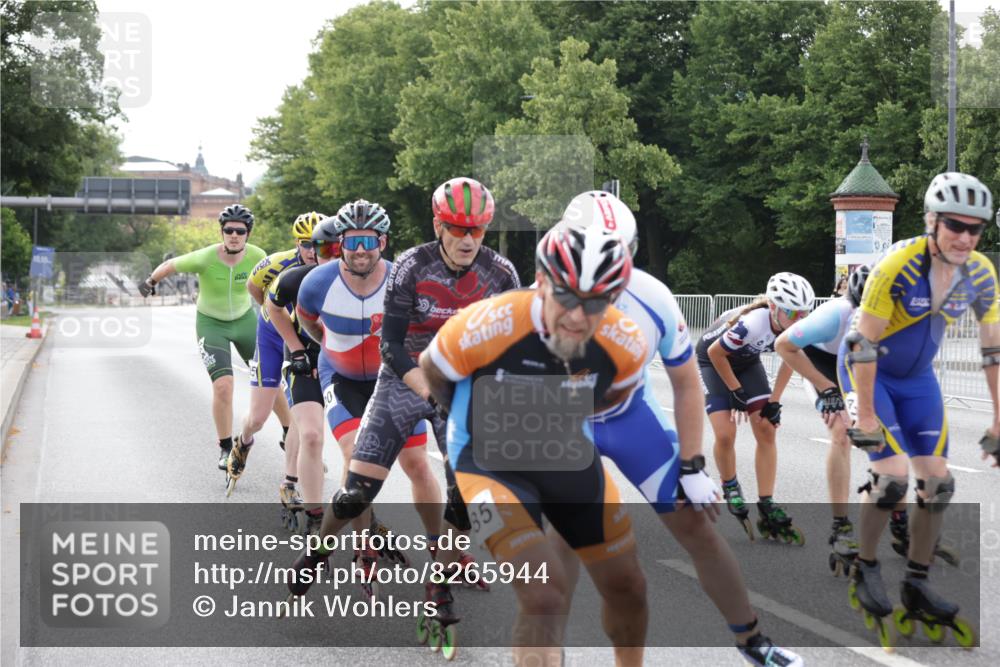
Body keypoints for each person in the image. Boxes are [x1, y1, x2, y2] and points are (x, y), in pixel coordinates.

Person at [550, 191, 803, 666]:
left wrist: (692, 463)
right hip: (566, 427)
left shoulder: (654, 298)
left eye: (616, 257)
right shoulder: (537, 296)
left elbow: (687, 384)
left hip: (630, 417)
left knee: (698, 525)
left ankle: (752, 640)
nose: (602, 271)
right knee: (564, 541)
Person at [285, 178, 520, 642]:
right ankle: (320, 549)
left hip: (461, 386)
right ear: (438, 225)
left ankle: (439, 583)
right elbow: (390, 346)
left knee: (463, 491)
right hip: (404, 379)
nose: (467, 239)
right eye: (456, 228)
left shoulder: (502, 275)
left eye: (478, 229)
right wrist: (430, 391)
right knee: (358, 492)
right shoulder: (411, 267)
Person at [421, 224, 647, 666]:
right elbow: (434, 372)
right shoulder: (487, 324)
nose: (579, 317)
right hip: (487, 463)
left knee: (629, 586)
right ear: (541, 281)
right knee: (543, 594)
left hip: (564, 456)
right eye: (566, 297)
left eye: (596, 302)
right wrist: (472, 425)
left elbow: (615, 394)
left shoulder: (625, 345)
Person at [839, 172, 998, 648]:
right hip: (873, 373)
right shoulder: (898, 264)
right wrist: (865, 416)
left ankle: (917, 580)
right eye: (954, 225)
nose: (965, 238)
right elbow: (862, 344)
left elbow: (993, 352)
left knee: (939, 483)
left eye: (975, 229)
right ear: (931, 220)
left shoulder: (980, 272)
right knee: (891, 480)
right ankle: (865, 566)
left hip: (919, 380)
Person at [295, 200, 437, 573]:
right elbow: (310, 324)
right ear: (339, 243)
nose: (360, 251)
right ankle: (364, 547)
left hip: (392, 380)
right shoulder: (316, 283)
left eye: (368, 241)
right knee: (355, 454)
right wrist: (329, 350)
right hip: (341, 379)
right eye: (352, 242)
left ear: (383, 242)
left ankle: (443, 551)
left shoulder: (402, 280)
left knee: (418, 465)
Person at [139, 205, 266, 469]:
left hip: (245, 321)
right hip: (211, 324)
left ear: (248, 234)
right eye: (228, 230)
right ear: (221, 231)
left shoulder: (257, 255)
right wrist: (150, 282)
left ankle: (289, 431)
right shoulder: (206, 257)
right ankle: (225, 447)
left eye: (239, 231)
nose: (233, 235)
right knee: (223, 386)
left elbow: (275, 281)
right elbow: (170, 265)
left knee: (270, 378)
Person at [697, 272, 815, 543]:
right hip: (712, 361)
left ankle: (766, 503)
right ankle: (731, 486)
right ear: (773, 308)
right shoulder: (752, 323)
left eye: (805, 313)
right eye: (793, 312)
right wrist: (735, 391)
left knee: (766, 429)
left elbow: (791, 361)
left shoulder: (796, 326)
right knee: (726, 433)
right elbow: (716, 353)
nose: (800, 319)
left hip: (747, 362)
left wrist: (774, 401)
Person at [775, 266, 869, 572]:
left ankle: (896, 513)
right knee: (841, 431)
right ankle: (840, 525)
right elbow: (784, 346)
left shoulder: (898, 314)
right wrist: (827, 387)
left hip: (861, 362)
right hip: (822, 362)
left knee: (884, 432)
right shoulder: (835, 314)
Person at [227, 212, 320, 498]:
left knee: (300, 415)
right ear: (296, 242)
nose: (312, 251)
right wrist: (271, 311)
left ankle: (290, 481)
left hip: (304, 339)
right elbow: (253, 287)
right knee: (258, 416)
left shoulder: (331, 265)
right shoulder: (279, 262)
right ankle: (242, 442)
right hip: (271, 334)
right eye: (306, 244)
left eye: (319, 243)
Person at [265, 216, 337, 532]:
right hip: (305, 361)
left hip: (343, 366)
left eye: (336, 248)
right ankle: (314, 512)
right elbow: (270, 305)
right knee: (310, 433)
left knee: (357, 444)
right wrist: (294, 349)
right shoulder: (295, 277)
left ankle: (362, 506)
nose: (324, 254)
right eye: (318, 248)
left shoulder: (367, 279)